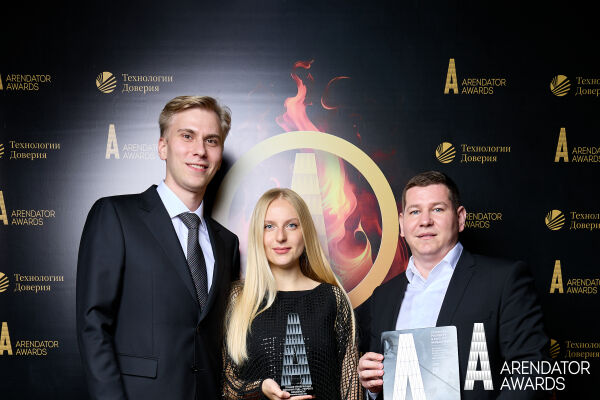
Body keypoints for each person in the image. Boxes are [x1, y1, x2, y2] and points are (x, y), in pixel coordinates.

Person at [76, 96, 240, 400]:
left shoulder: (227, 243)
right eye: (187, 136)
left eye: (211, 140)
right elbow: (93, 324)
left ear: (219, 155)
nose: (200, 150)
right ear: (162, 147)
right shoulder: (115, 216)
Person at [357, 171, 549, 399]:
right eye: (415, 211)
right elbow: (381, 382)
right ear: (402, 224)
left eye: (437, 209)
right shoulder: (383, 297)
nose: (425, 221)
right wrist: (372, 387)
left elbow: (531, 370)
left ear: (460, 218)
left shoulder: (504, 280)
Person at [223, 188, 360, 400]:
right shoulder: (238, 298)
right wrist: (261, 389)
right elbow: (226, 385)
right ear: (258, 234)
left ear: (305, 232)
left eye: (291, 225)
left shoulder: (332, 298)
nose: (281, 237)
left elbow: (351, 386)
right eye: (269, 226)